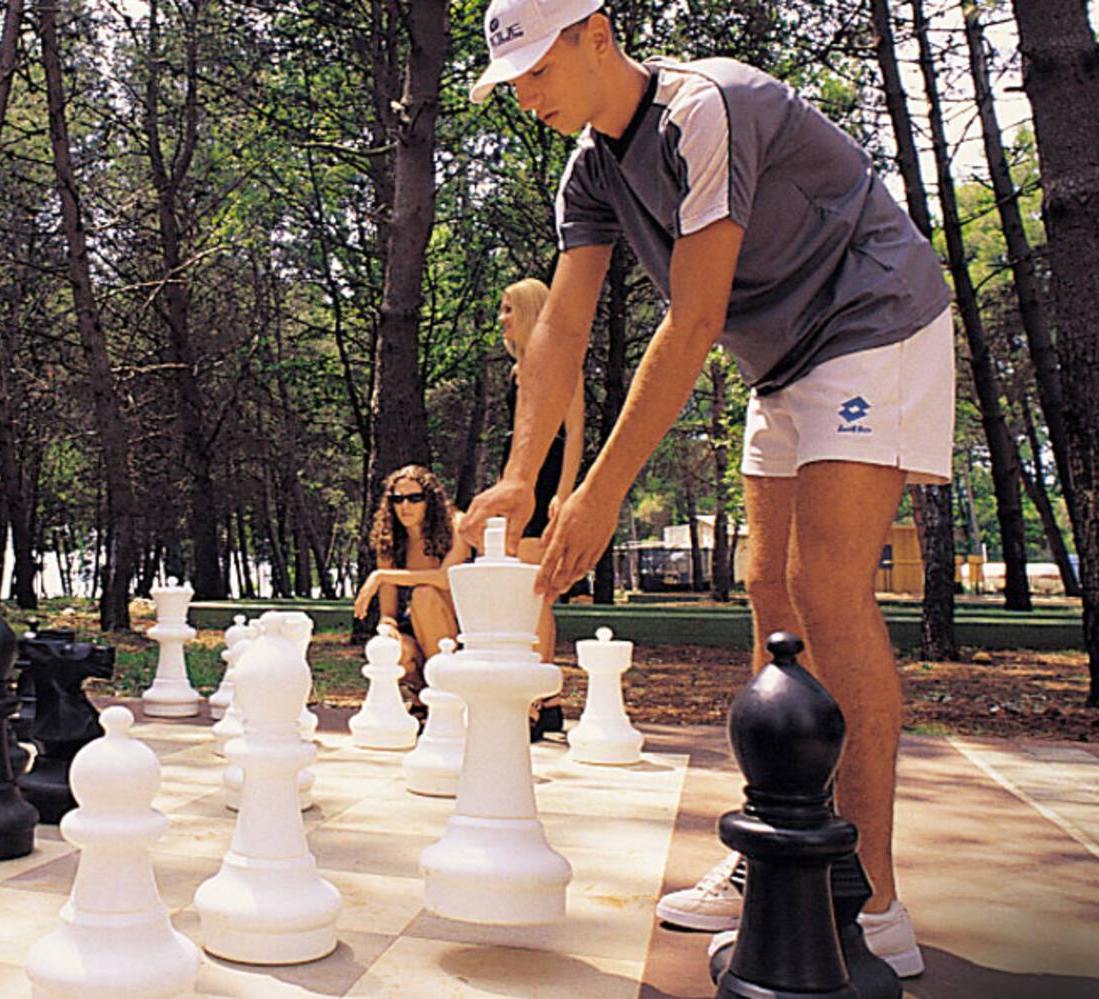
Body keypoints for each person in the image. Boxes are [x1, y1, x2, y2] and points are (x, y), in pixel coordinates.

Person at [461, 0, 952, 979]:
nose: (526, 97)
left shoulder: (702, 107)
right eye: (508, 82)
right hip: (782, 363)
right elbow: (558, 329)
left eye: (537, 69)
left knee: (827, 589)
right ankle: (776, 848)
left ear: (594, 33)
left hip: (871, 316)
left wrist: (595, 493)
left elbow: (691, 322)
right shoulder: (590, 170)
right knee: (768, 589)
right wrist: (523, 476)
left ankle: (872, 897)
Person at [499, 277, 582, 738]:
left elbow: (576, 432)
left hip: (547, 483)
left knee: (536, 592)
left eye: (509, 308)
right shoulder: (522, 369)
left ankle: (542, 696)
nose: (502, 318)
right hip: (523, 483)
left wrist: (564, 492)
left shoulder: (562, 362)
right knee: (522, 591)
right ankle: (540, 697)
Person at [353, 465, 471, 709]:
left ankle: (445, 690)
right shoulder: (389, 538)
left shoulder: (456, 524)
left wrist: (381, 576)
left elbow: (444, 579)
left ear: (430, 500)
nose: (405, 506)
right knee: (396, 652)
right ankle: (423, 695)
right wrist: (387, 624)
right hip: (417, 624)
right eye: (397, 499)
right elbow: (389, 611)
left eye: (414, 498)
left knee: (425, 594)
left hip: (461, 626)